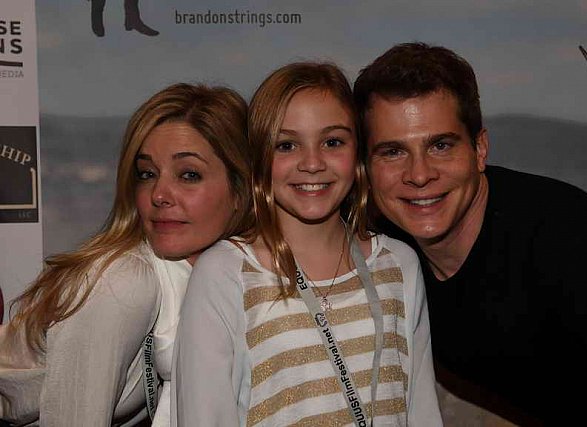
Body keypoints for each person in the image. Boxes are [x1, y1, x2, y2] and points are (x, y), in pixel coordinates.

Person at [353, 42, 587, 424]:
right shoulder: (387, 247)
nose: (419, 174)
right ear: (366, 167)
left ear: (479, 149)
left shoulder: (566, 237)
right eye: (392, 152)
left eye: (440, 145)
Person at [172, 62, 442, 426]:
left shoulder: (398, 263)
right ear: (260, 157)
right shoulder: (226, 272)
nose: (312, 163)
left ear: (358, 152)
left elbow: (422, 410)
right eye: (286, 145)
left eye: (332, 142)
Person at [0, 83, 252, 426]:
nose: (159, 194)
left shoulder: (228, 278)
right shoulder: (123, 282)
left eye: (188, 175)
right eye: (147, 174)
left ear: (240, 190)